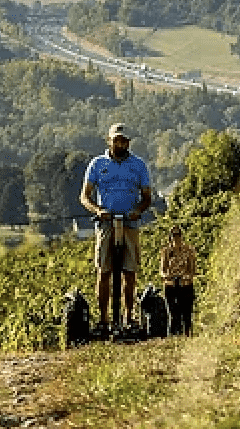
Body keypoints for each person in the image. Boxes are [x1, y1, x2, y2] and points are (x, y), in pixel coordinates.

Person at [80, 122, 154, 335]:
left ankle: (128, 317)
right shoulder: (97, 164)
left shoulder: (138, 165)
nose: (120, 144)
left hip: (130, 223)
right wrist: (97, 210)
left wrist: (138, 210)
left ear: (128, 142)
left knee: (129, 272)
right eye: (116, 140)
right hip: (106, 223)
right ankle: (104, 320)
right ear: (109, 141)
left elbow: (147, 197)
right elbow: (84, 196)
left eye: (123, 141)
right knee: (103, 271)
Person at [159, 224, 197, 336]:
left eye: (178, 235)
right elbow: (162, 269)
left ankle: (187, 333)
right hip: (171, 283)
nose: (176, 238)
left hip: (185, 283)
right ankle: (173, 334)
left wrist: (188, 276)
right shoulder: (166, 251)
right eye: (174, 235)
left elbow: (193, 268)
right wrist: (167, 276)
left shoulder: (189, 250)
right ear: (170, 237)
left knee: (187, 312)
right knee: (173, 313)